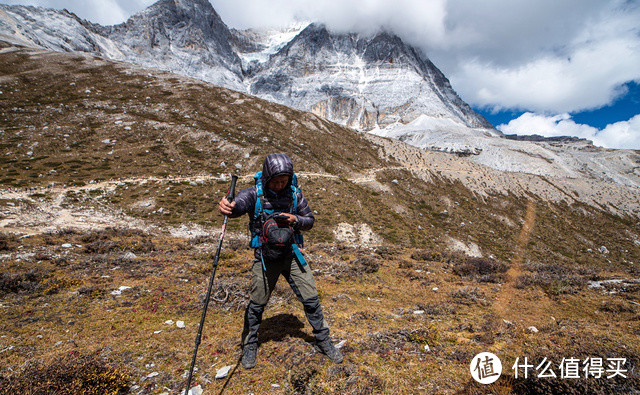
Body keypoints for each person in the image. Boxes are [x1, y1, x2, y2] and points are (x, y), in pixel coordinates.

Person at [218, 153, 343, 369]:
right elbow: (237, 207)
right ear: (266, 177)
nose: (279, 185)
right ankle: (249, 344)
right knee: (257, 304)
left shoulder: (295, 195)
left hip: (292, 255)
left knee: (311, 299)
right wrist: (228, 205)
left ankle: (323, 341)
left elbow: (310, 221)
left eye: (283, 181)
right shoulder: (254, 194)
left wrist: (296, 220)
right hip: (265, 258)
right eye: (275, 181)